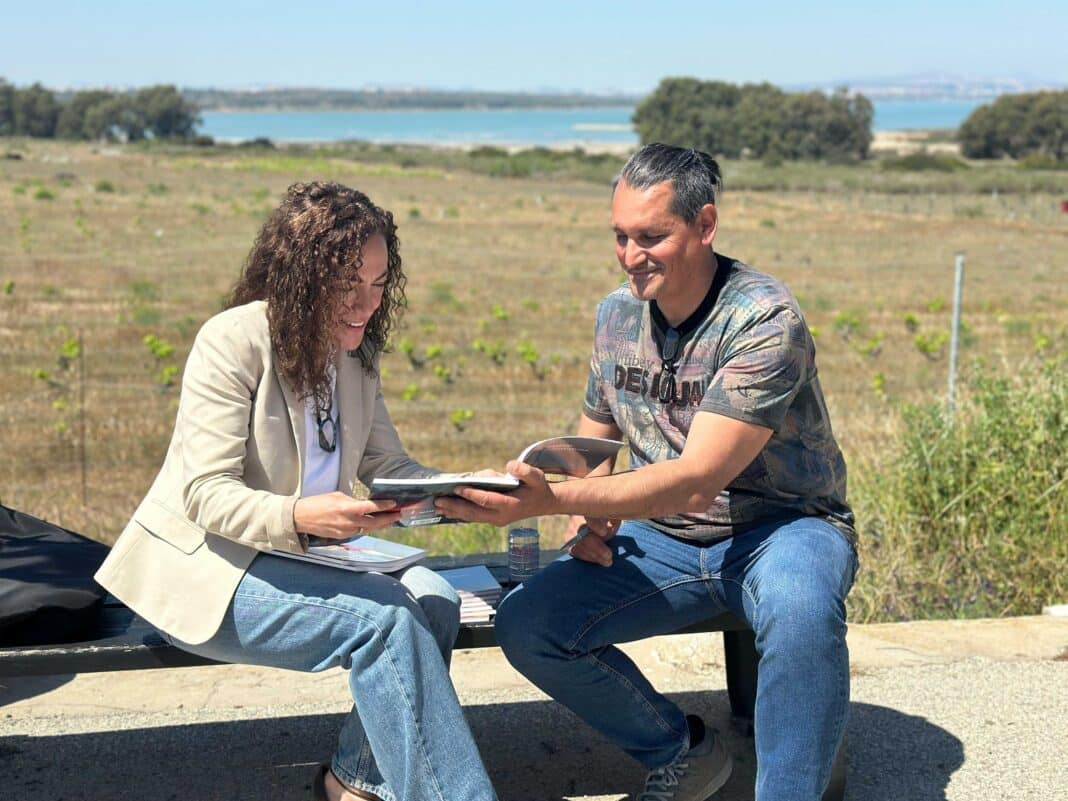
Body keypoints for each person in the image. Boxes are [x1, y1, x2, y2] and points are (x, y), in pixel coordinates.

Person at [437, 143, 858, 801]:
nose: (632, 254)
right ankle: (681, 749)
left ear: (705, 225)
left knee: (800, 606)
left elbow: (698, 478)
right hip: (661, 536)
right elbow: (592, 443)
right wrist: (580, 513)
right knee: (529, 624)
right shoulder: (616, 314)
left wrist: (548, 501)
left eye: (651, 236)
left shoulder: (762, 317)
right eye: (621, 236)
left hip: (780, 526)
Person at [95, 181, 498, 801]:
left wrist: (466, 489)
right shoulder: (232, 340)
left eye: (379, 282)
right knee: (386, 623)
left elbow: (389, 463)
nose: (366, 303)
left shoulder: (357, 356)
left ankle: (353, 784)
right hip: (212, 569)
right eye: (348, 285)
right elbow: (204, 492)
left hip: (309, 556)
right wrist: (300, 515)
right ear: (302, 276)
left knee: (436, 598)